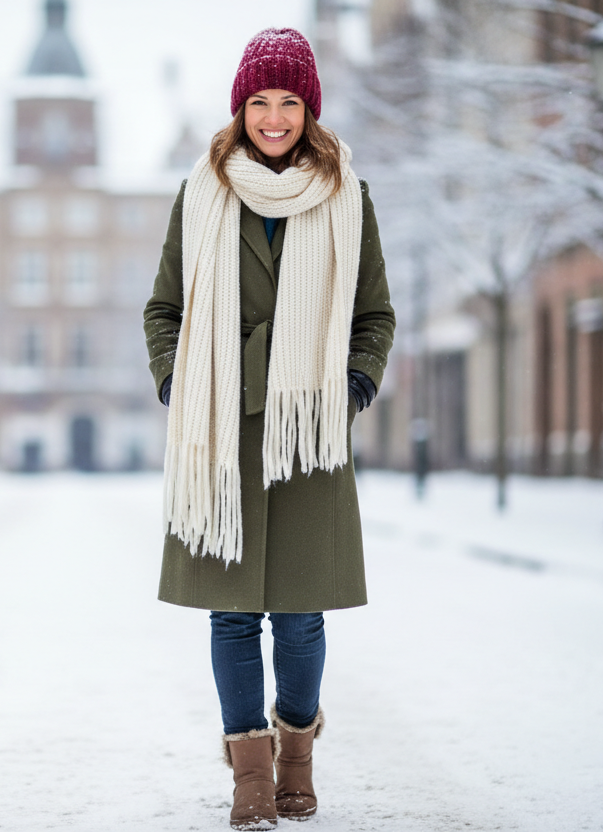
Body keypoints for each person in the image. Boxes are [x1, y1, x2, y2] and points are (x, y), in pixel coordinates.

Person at [142, 27, 395, 830]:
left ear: (309, 108)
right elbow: (165, 309)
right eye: (261, 102)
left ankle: (297, 757)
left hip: (306, 427)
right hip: (220, 429)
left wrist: (354, 382)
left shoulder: (347, 196)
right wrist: (179, 379)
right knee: (230, 612)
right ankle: (249, 774)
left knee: (300, 610)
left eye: (289, 102)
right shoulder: (202, 192)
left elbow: (374, 313)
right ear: (241, 108)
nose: (275, 118)